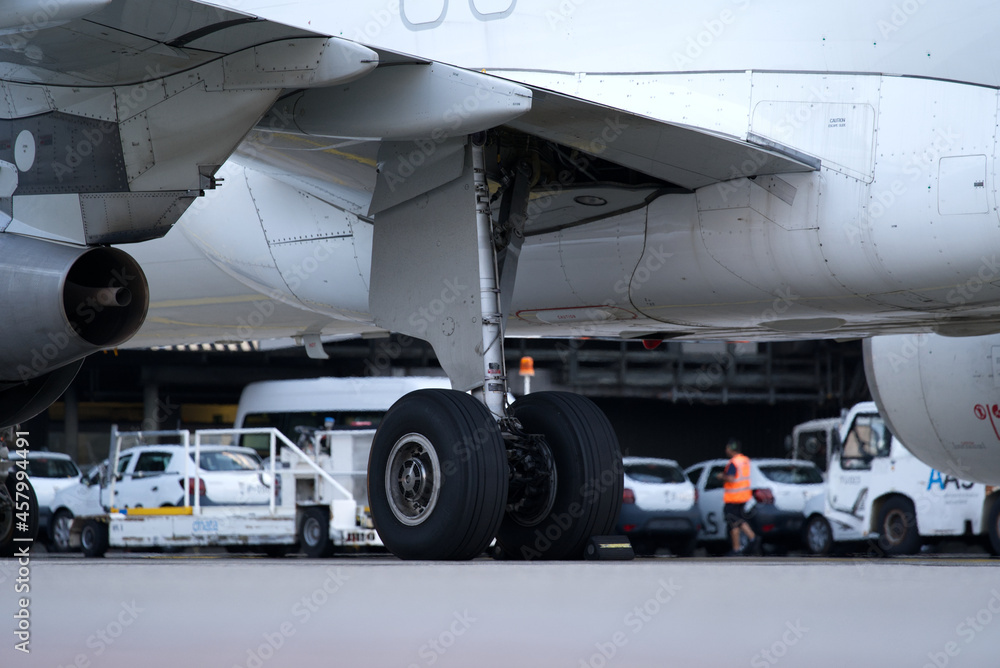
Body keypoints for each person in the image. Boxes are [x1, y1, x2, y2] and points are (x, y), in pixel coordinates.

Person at [718, 438, 760, 556]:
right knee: (739, 521)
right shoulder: (745, 460)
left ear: (731, 449)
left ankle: (737, 549)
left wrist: (721, 476)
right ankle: (752, 538)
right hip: (743, 497)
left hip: (733, 498)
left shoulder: (734, 463)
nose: (726, 450)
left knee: (733, 522)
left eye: (727, 448)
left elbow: (731, 478)